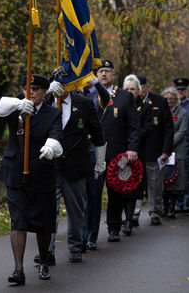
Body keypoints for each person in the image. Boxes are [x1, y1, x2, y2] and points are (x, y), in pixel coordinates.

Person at [0, 74, 63, 285]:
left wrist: (51, 146)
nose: (31, 93)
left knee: (42, 222)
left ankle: (44, 262)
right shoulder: (15, 107)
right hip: (15, 171)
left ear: (45, 92)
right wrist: (18, 103)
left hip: (41, 170)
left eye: (36, 89)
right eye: (27, 88)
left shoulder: (53, 113)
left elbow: (57, 134)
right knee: (18, 219)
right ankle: (18, 269)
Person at [34, 79, 106, 263]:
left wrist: (100, 161)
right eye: (59, 84)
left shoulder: (84, 103)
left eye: (67, 83)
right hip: (50, 166)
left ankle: (75, 246)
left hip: (76, 165)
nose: (63, 87)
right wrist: (49, 95)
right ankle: (46, 250)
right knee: (49, 210)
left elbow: (98, 133)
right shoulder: (46, 102)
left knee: (75, 210)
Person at [96, 60, 140, 242]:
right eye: (101, 71)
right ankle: (89, 234)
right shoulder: (89, 95)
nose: (104, 74)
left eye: (107, 71)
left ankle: (114, 228)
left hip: (118, 154)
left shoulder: (124, 97)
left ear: (114, 75)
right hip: (95, 153)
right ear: (96, 75)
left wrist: (132, 149)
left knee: (116, 191)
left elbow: (134, 126)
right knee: (93, 193)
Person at [134, 75, 174, 226]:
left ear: (147, 86)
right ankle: (134, 213)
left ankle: (155, 212)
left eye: (142, 86)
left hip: (155, 150)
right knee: (136, 183)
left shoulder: (159, 101)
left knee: (155, 184)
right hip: (136, 151)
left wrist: (166, 150)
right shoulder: (131, 101)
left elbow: (168, 128)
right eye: (138, 87)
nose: (140, 89)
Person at [82, 75, 110, 250]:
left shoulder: (96, 95)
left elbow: (106, 98)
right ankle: (79, 236)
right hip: (75, 152)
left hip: (94, 152)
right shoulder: (71, 93)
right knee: (78, 196)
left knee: (93, 194)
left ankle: (91, 235)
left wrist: (97, 83)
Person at [121, 74, 152, 235]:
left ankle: (129, 220)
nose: (129, 92)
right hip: (119, 151)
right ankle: (119, 219)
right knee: (119, 184)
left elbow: (148, 128)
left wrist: (133, 136)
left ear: (139, 91)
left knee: (133, 187)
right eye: (126, 89)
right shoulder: (118, 105)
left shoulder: (146, 107)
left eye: (133, 89)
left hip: (137, 151)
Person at [161, 86, 188, 218]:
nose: (169, 101)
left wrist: (168, 143)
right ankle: (164, 207)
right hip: (162, 151)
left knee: (175, 181)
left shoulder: (182, 112)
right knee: (164, 179)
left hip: (177, 150)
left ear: (176, 99)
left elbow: (182, 131)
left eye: (171, 98)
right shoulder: (159, 111)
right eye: (166, 99)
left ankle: (172, 208)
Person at [173, 77, 189, 212]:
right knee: (177, 174)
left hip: (188, 143)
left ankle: (187, 201)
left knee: (188, 174)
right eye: (179, 90)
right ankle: (178, 202)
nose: (181, 92)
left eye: (183, 89)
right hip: (176, 145)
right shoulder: (173, 106)